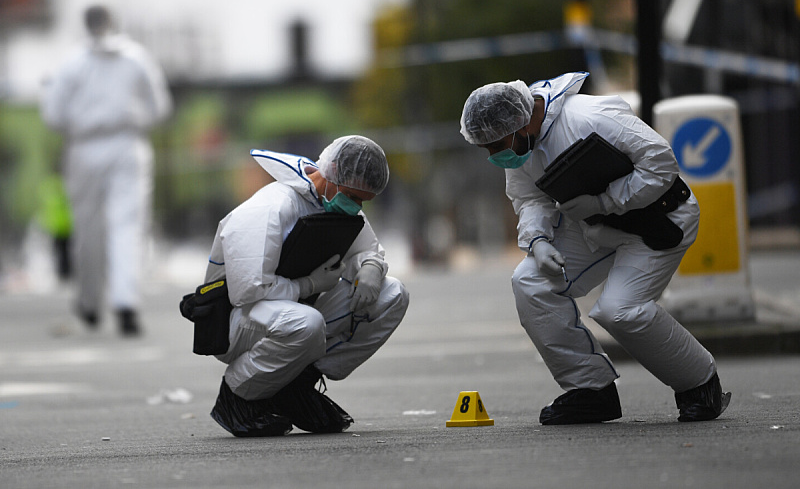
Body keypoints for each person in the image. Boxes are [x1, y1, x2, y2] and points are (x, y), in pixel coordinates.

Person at [459, 71, 731, 424]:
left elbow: (660, 164)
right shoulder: (520, 145)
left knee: (619, 310)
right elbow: (528, 198)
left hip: (660, 219)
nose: (494, 155)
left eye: (495, 146)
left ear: (520, 123)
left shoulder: (589, 117)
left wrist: (604, 201)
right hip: (595, 225)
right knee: (530, 281)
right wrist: (538, 241)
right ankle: (591, 391)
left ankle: (700, 386)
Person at [199, 135, 409, 437]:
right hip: (232, 321)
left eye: (364, 201)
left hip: (291, 311)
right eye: (354, 197)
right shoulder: (269, 210)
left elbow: (368, 248)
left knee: (393, 294)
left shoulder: (333, 200)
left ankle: (295, 385)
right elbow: (247, 291)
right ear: (333, 172)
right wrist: (308, 284)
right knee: (307, 324)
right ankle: (238, 395)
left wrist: (372, 268)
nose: (357, 206)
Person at [41, 5, 172, 336]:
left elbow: (53, 115)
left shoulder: (71, 62)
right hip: (128, 143)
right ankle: (125, 301)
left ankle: (88, 302)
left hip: (84, 146)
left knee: (87, 228)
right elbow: (160, 107)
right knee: (127, 226)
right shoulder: (137, 57)